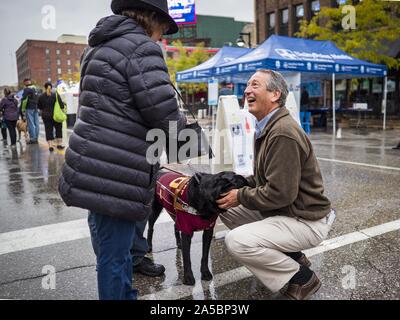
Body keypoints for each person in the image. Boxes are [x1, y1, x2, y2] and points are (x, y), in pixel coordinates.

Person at [58, 0, 186, 300]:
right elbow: (162, 111)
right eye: (164, 27)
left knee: (110, 249)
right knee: (114, 257)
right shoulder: (141, 48)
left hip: (92, 159)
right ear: (151, 18)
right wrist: (187, 138)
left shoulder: (98, 46)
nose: (163, 35)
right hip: (118, 167)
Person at [217, 69, 335, 300]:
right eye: (247, 86)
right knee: (227, 208)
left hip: (305, 220)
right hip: (287, 212)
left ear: (274, 94)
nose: (247, 90)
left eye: (255, 85)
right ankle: (293, 255)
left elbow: (280, 193)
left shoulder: (282, 132)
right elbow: (263, 179)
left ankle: (301, 279)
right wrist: (231, 185)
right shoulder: (267, 126)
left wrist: (240, 195)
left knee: (237, 241)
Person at [37, 82, 65, 152]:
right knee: (58, 129)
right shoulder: (55, 94)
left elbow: (39, 107)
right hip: (56, 116)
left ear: (45, 87)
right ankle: (59, 144)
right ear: (51, 87)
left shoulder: (41, 96)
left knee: (48, 130)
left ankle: (50, 146)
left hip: (46, 116)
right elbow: (61, 105)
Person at [21, 78, 40, 144]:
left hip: (29, 108)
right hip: (36, 107)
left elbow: (23, 100)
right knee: (37, 123)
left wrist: (22, 109)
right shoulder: (35, 89)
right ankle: (36, 138)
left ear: (25, 83)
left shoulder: (26, 89)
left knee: (31, 124)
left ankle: (32, 139)